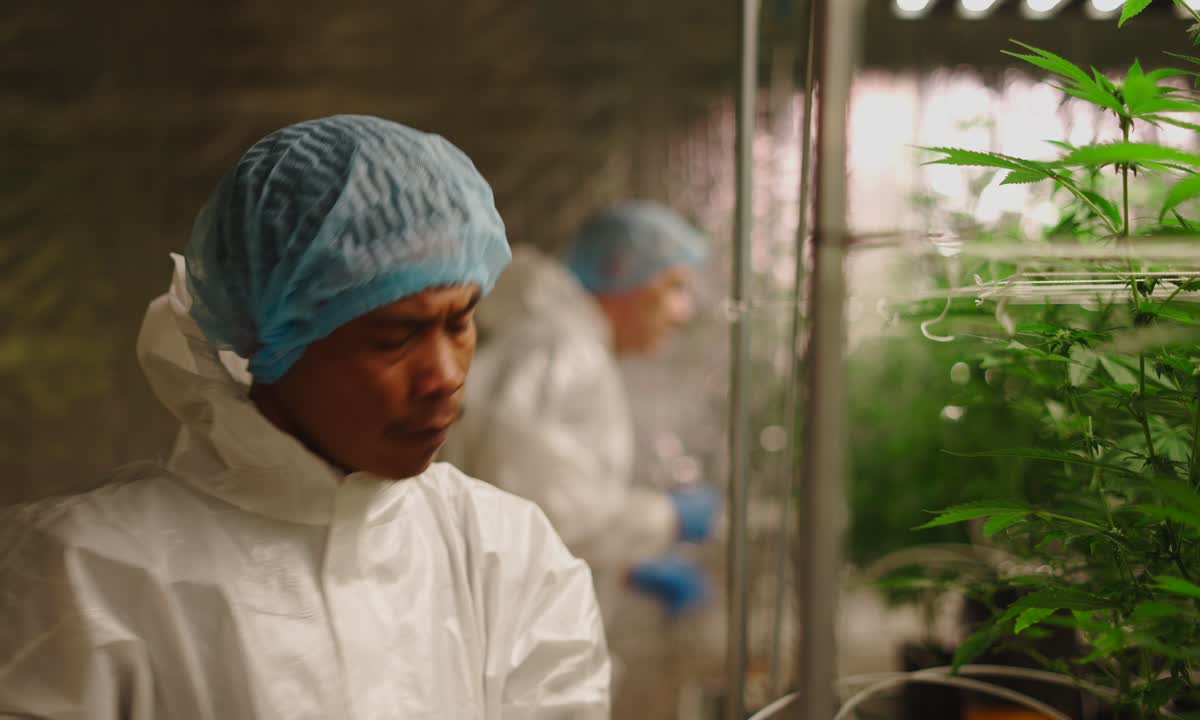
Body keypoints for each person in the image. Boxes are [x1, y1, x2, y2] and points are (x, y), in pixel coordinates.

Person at [0, 115, 611, 718]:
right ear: (271, 332)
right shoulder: (88, 577)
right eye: (395, 337)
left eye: (460, 322)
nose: (446, 375)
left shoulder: (506, 556)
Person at [440, 202, 720, 627]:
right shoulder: (564, 352)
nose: (683, 313)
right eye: (674, 286)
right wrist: (668, 517)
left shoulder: (557, 342)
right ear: (621, 270)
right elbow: (542, 513)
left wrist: (623, 569)